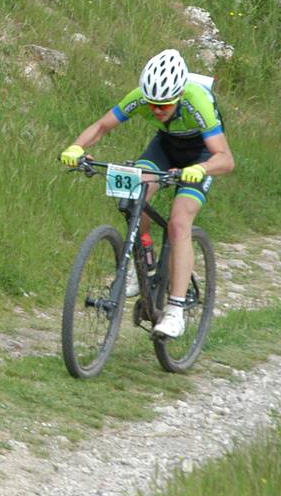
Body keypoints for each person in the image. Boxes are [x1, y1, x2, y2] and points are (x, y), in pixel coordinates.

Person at [59, 49, 234, 338]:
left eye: (163, 106)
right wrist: (77, 147)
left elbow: (225, 159)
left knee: (179, 222)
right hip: (165, 146)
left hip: (202, 154)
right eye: (152, 104)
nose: (155, 111)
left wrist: (201, 169)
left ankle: (175, 311)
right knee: (133, 196)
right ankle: (144, 264)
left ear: (178, 96)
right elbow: (102, 126)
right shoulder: (140, 98)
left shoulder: (197, 102)